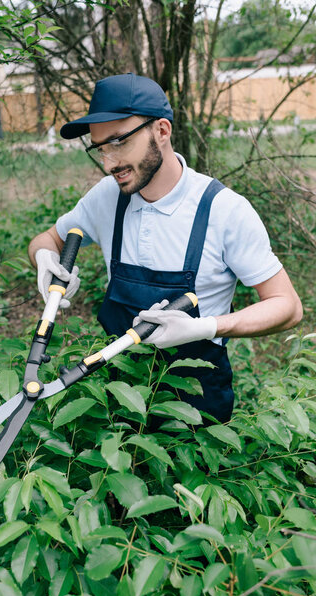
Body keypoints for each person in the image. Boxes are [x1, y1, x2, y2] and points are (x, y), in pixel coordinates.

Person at [28, 73, 302, 424]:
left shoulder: (223, 210)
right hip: (118, 393)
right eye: (100, 148)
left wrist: (206, 327)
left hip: (196, 407)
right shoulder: (107, 198)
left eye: (119, 142)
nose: (109, 163)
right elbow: (48, 238)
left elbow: (287, 307)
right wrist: (44, 257)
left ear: (161, 130)